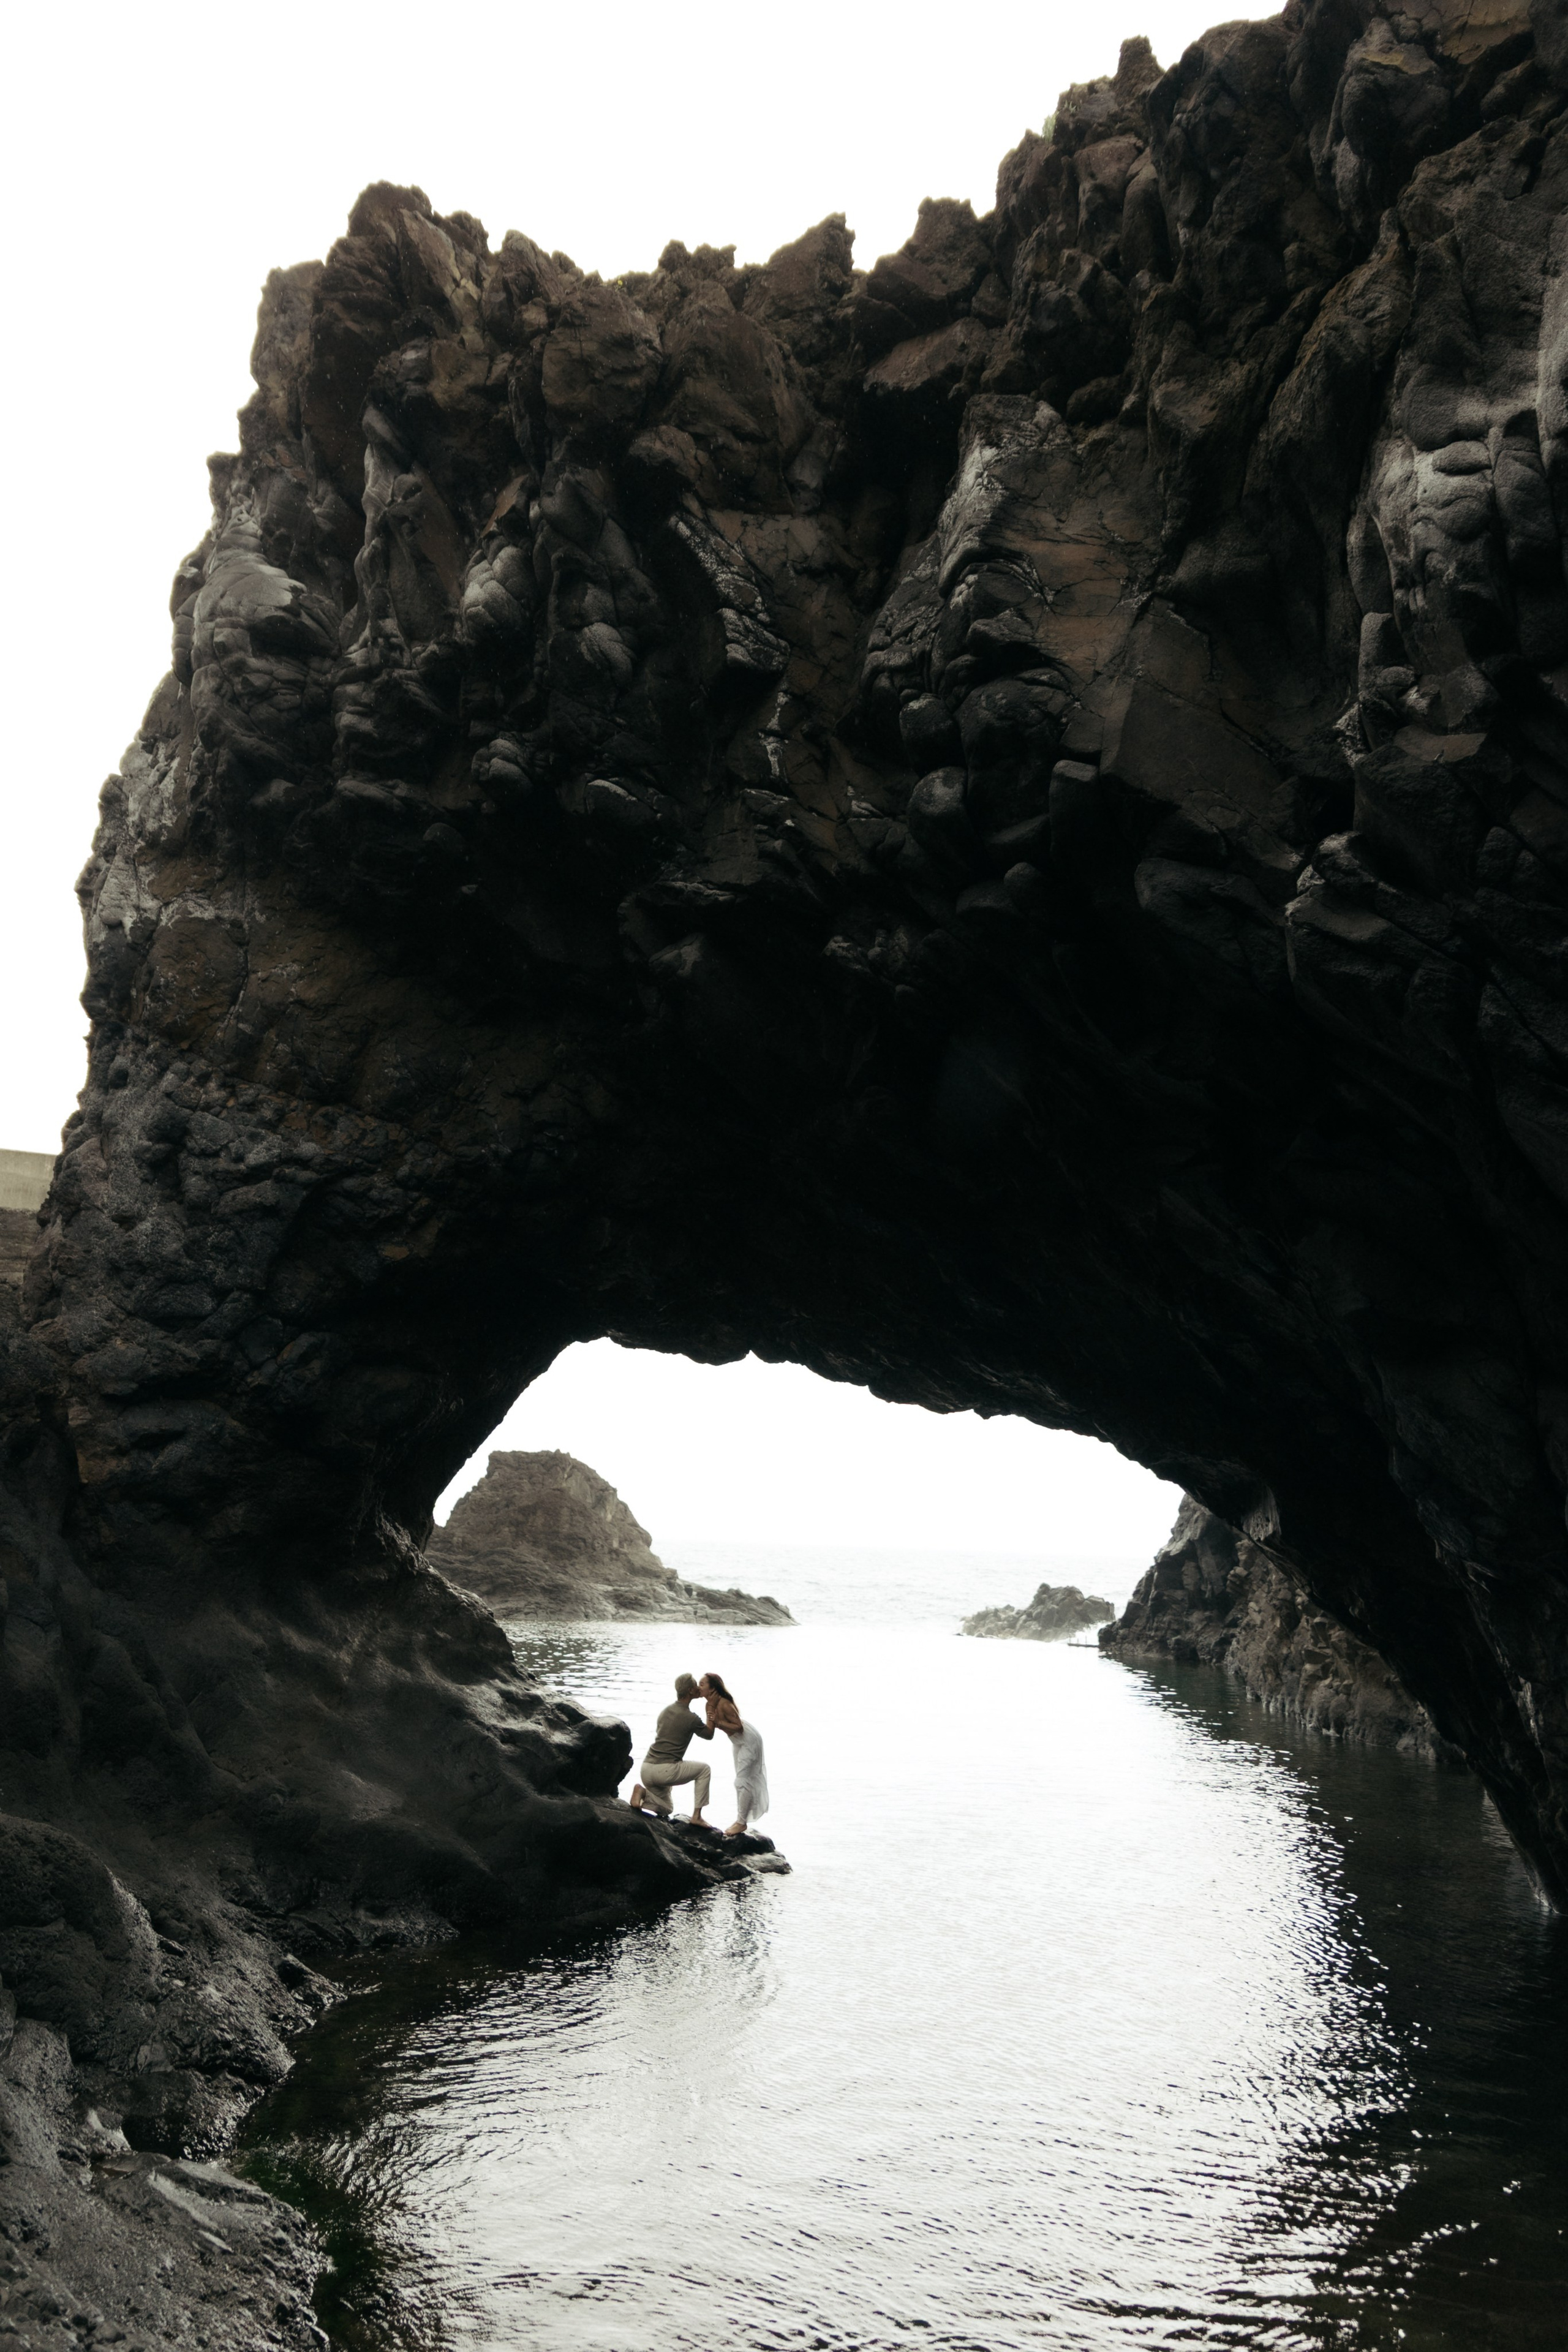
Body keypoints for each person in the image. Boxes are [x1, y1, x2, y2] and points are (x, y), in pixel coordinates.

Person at [628, 1673, 714, 1824]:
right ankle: (697, 1817)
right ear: (690, 1691)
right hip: (665, 1770)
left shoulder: (665, 1711)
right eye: (695, 1686)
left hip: (647, 1769)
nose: (697, 1688)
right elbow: (709, 1734)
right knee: (704, 1770)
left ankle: (643, 1794)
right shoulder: (691, 1718)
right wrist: (711, 1708)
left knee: (667, 1808)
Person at [699, 1670, 769, 1837]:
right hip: (737, 1742)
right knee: (742, 1779)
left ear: (712, 1688)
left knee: (742, 1781)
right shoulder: (709, 1705)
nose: (698, 1687)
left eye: (702, 1684)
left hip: (749, 1740)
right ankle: (741, 1819)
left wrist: (719, 1722)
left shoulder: (724, 1704)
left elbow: (738, 1726)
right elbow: (710, 1732)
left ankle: (741, 1823)